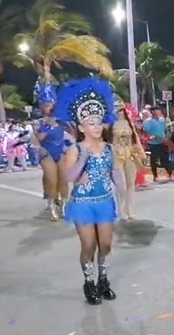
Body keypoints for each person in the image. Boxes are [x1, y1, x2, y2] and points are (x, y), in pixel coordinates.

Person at [55, 78, 125, 305]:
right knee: (88, 245)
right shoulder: (74, 150)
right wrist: (82, 159)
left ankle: (103, 279)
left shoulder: (109, 148)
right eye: (91, 123)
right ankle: (89, 282)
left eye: (98, 122)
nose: (96, 126)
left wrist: (123, 199)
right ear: (82, 127)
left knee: (105, 244)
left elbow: (116, 174)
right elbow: (68, 178)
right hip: (83, 204)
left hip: (105, 202)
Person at [34, 84, 72, 220]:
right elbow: (39, 138)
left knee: (64, 179)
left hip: (60, 152)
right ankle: (51, 206)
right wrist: (48, 125)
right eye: (47, 104)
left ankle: (64, 205)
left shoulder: (62, 121)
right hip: (47, 153)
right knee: (52, 180)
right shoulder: (38, 122)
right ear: (42, 106)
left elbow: (72, 133)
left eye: (51, 104)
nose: (50, 107)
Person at [109, 101, 146, 220]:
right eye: (116, 109)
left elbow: (135, 141)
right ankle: (120, 210)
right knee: (122, 185)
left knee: (131, 183)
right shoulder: (110, 124)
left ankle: (130, 210)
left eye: (121, 109)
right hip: (116, 155)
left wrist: (142, 154)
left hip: (130, 154)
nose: (119, 112)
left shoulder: (129, 124)